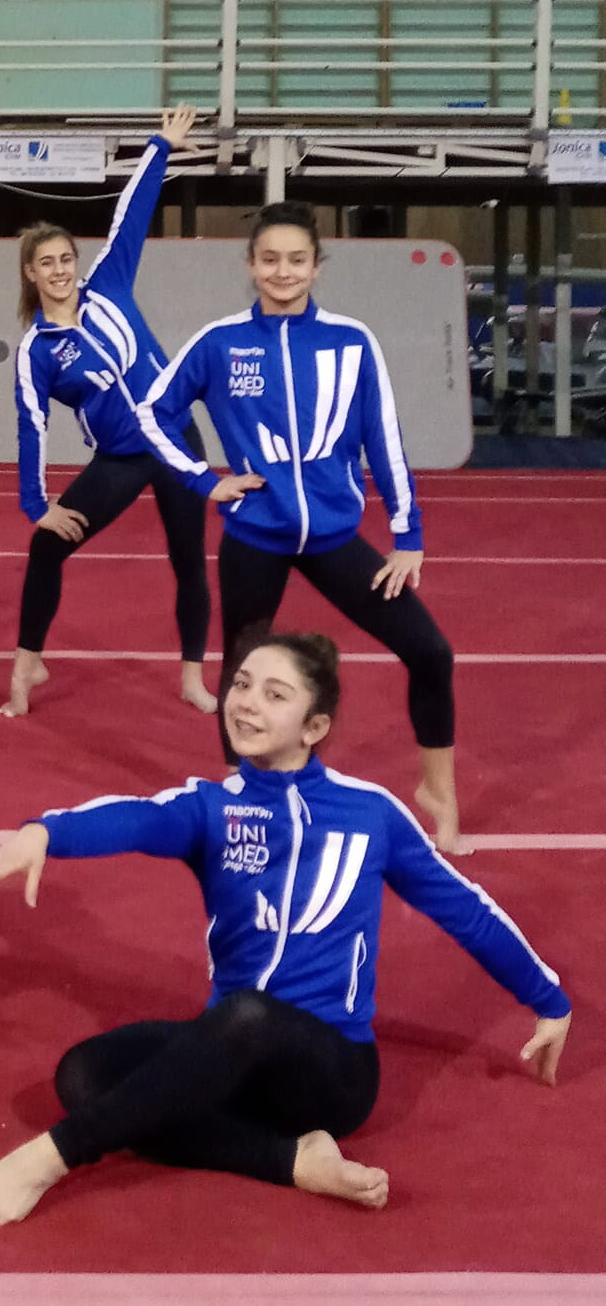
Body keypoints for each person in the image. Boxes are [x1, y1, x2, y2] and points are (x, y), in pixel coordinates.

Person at [0, 630, 569, 1228]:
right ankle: (291, 1161)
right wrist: (45, 833)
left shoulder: (371, 813)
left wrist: (548, 1000)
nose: (247, 702)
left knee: (246, 1015)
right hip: (232, 1057)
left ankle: (48, 1160)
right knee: (83, 1073)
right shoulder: (212, 807)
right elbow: (136, 818)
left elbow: (463, 908)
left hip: (330, 1073)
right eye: (243, 684)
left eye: (275, 695)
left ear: (314, 727)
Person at [138, 200, 467, 853]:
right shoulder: (221, 342)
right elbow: (152, 412)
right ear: (250, 265)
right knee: (243, 672)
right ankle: (243, 795)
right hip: (254, 537)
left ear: (317, 267)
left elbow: (383, 438)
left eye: (296, 260)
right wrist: (205, 479)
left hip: (335, 538)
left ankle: (439, 792)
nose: (282, 271)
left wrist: (408, 537)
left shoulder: (351, 341)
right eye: (269, 259)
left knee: (430, 651)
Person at [4, 106, 213, 719]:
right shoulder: (37, 350)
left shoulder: (110, 286)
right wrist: (36, 504)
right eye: (47, 263)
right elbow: (31, 426)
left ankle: (193, 677)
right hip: (121, 459)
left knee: (189, 561)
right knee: (47, 548)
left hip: (177, 441)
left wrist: (160, 147)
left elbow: (131, 214)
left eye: (66, 259)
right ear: (31, 274)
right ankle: (27, 664)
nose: (60, 270)